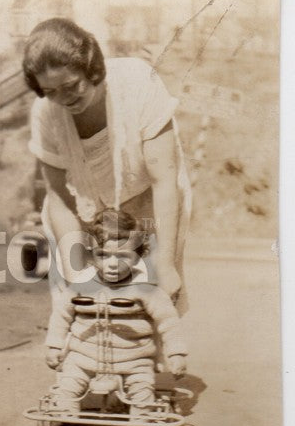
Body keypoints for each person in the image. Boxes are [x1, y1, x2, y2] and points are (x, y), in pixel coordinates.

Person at [22, 17, 192, 312]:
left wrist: (165, 264)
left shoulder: (138, 81)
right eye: (51, 92)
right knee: (81, 316)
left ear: (91, 68)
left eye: (71, 85)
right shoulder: (45, 113)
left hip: (150, 206)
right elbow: (60, 199)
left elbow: (164, 180)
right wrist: (76, 275)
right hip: (82, 214)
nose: (63, 99)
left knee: (149, 312)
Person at [43, 208, 188, 426]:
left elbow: (168, 321)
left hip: (134, 358)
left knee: (142, 389)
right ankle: (68, 425)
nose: (112, 264)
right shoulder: (80, 286)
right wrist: (54, 346)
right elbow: (61, 316)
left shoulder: (147, 290)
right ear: (91, 255)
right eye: (103, 255)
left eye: (122, 256)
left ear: (138, 256)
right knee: (67, 385)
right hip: (83, 356)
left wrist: (177, 353)